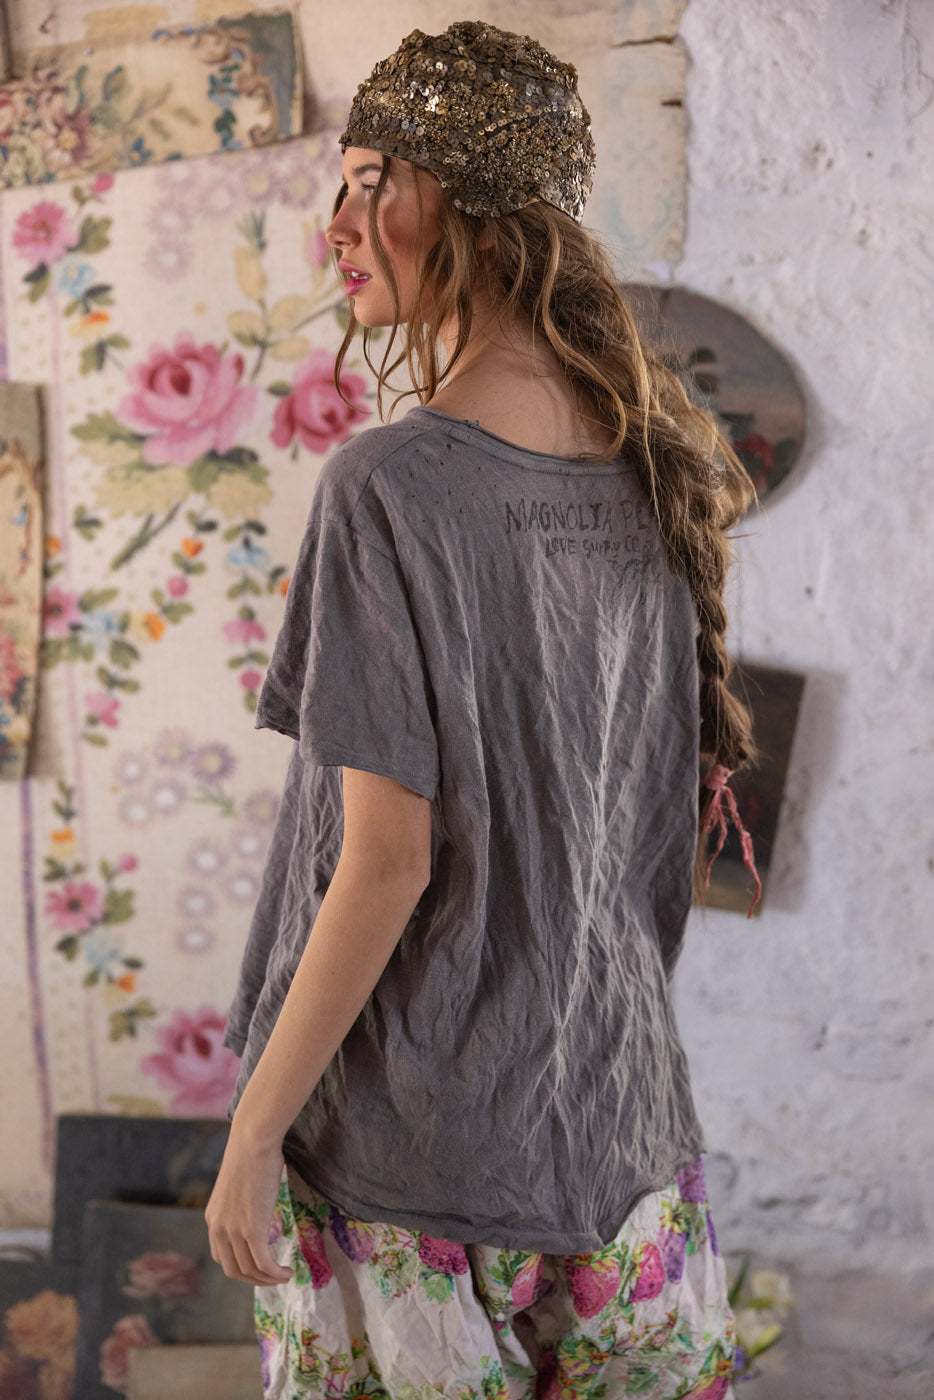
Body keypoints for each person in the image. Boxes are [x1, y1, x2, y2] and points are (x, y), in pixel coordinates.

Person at [205, 20, 758, 1400]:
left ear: (468, 206)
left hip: (410, 1164)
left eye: (370, 181)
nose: (336, 223)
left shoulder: (388, 487)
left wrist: (255, 1135)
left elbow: (388, 862)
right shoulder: (653, 471)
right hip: (619, 1130)